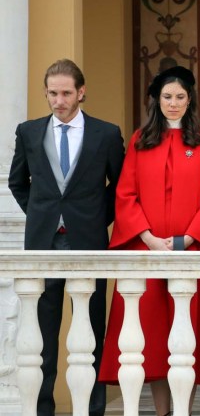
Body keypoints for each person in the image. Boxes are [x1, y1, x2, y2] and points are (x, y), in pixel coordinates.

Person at [98, 66, 200, 416]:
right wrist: (150, 239)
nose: (174, 104)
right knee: (152, 336)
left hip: (193, 250)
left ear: (190, 100)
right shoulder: (141, 140)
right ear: (157, 100)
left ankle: (184, 408)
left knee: (188, 332)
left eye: (180, 97)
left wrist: (186, 239)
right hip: (148, 251)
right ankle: (161, 411)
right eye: (168, 97)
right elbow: (125, 195)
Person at [8, 58, 125, 416]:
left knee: (90, 331)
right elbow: (17, 182)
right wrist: (45, 217)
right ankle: (42, 409)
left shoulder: (106, 134)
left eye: (66, 93)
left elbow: (120, 188)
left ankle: (91, 410)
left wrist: (91, 219)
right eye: (52, 93)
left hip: (89, 241)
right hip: (42, 244)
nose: (58, 100)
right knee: (41, 333)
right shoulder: (28, 132)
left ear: (81, 92)